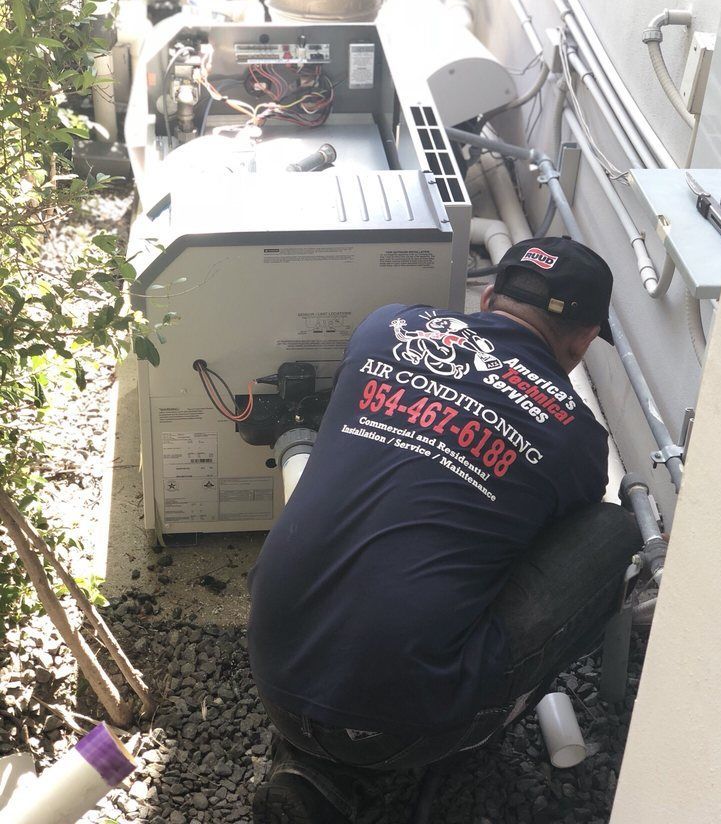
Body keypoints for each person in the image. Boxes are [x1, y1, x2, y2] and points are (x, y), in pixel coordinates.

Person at [248, 236, 642, 824]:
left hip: (274, 665)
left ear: (489, 297)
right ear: (584, 341)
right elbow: (539, 549)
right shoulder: (577, 436)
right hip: (408, 731)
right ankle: (450, 727)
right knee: (611, 533)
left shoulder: (388, 326)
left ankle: (312, 765)